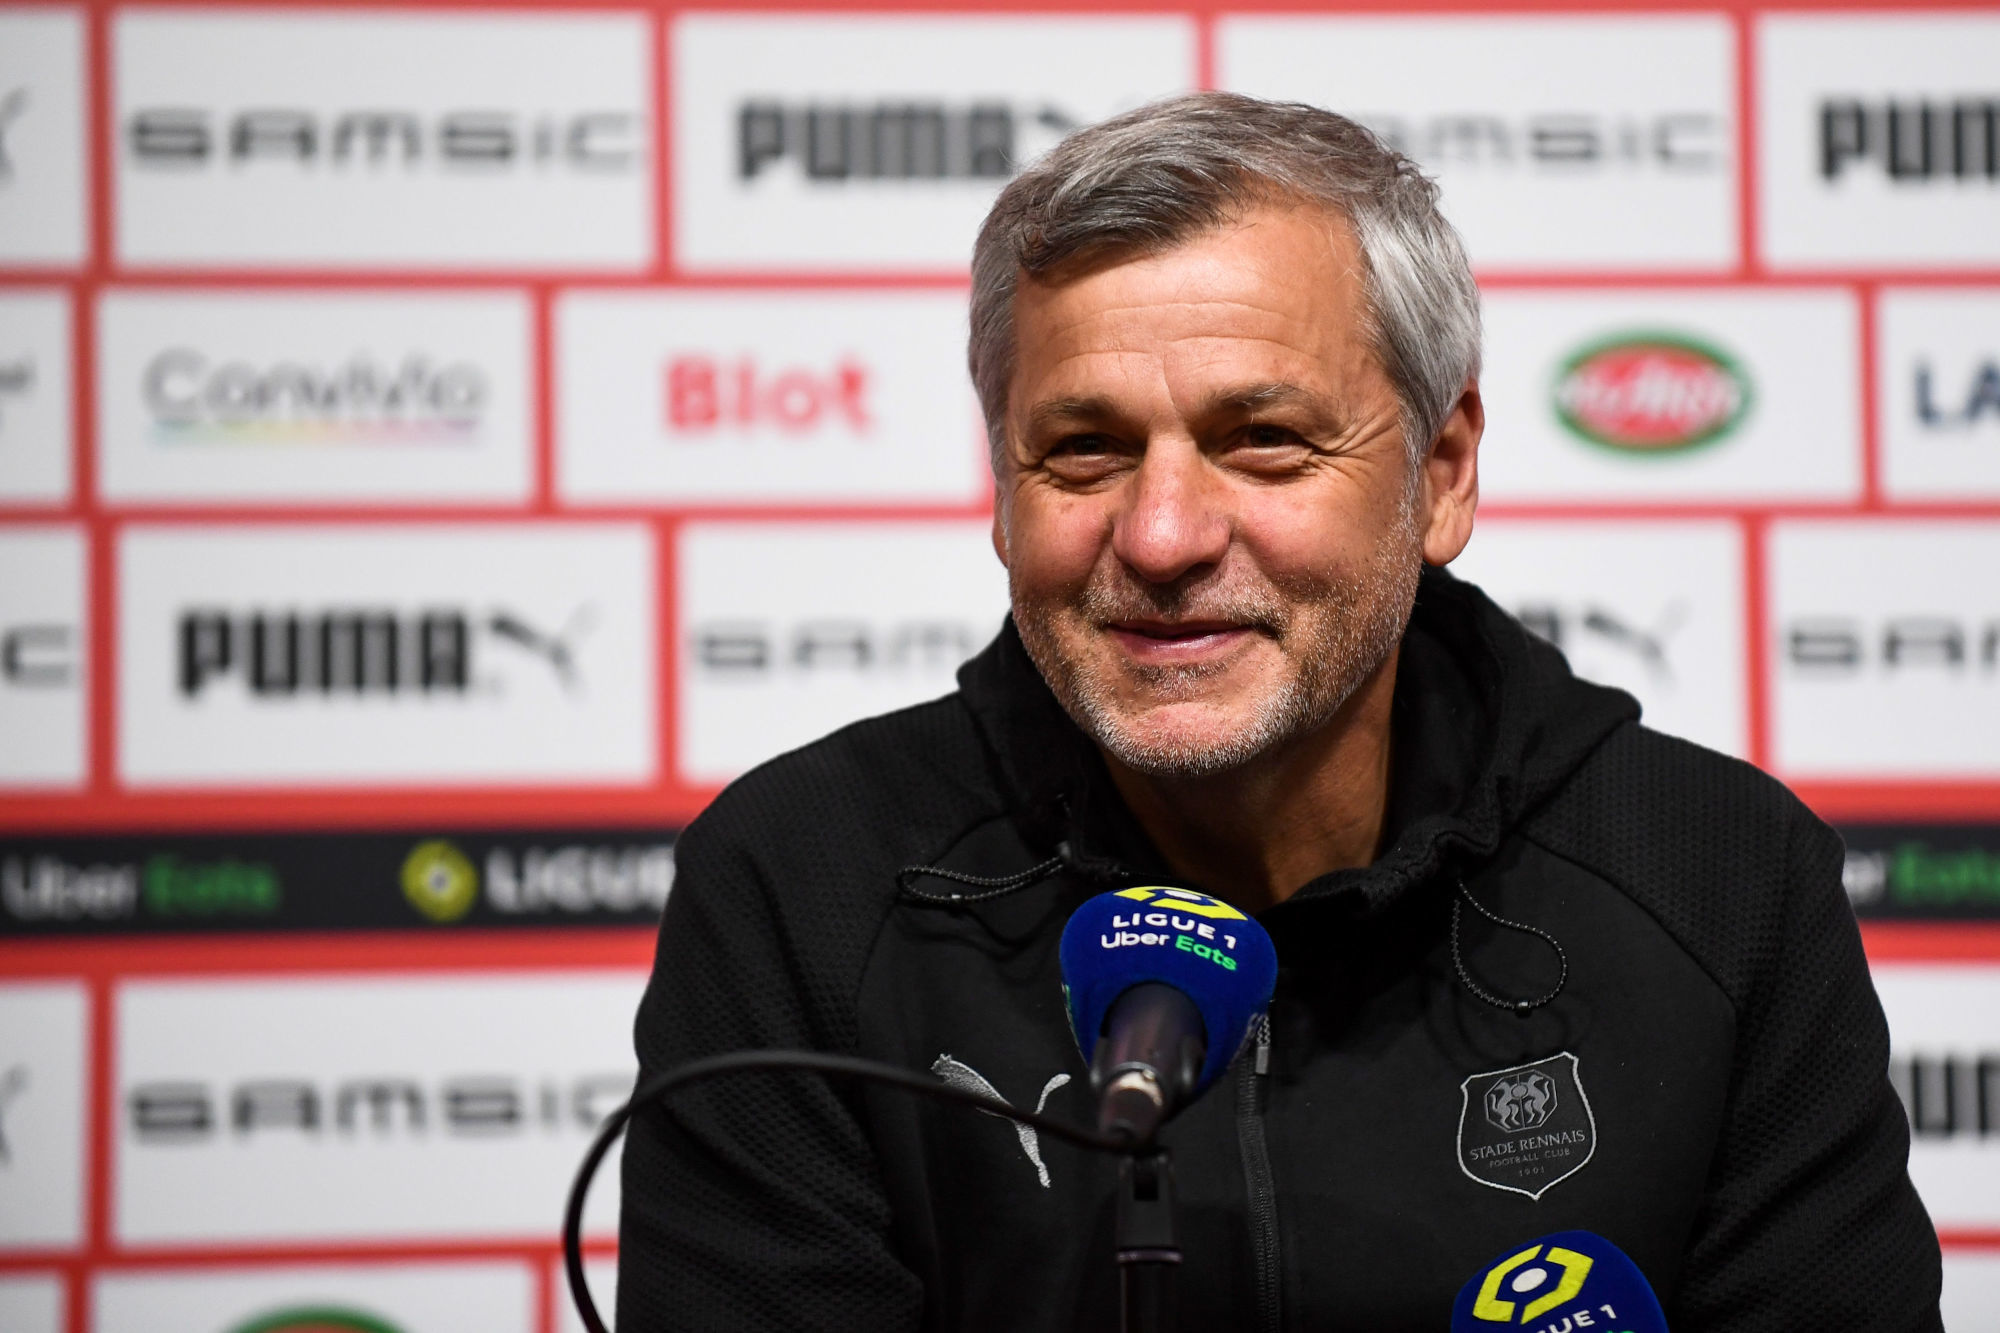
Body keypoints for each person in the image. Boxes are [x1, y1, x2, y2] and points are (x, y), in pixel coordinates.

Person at [617, 92, 1941, 1331]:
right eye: (1084, 448)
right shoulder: (806, 885)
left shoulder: (1716, 875)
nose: (1163, 535)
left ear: (1442, 474)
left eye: (1263, 440)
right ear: (1003, 493)